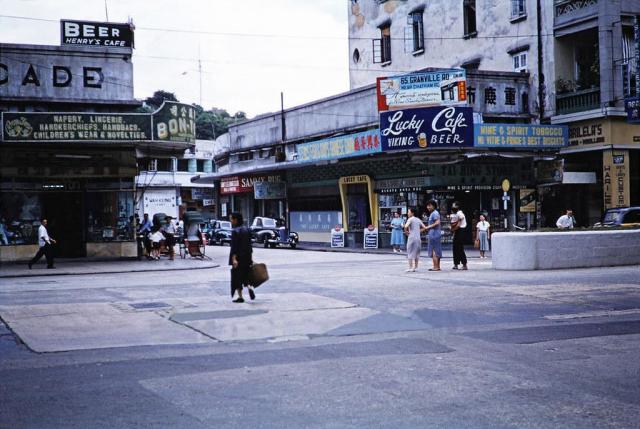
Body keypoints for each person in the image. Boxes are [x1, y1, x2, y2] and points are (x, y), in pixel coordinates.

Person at [229, 212, 254, 303]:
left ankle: (240, 297)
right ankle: (250, 287)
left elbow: (234, 247)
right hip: (247, 257)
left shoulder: (235, 231)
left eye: (231, 219)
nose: (231, 221)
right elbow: (249, 245)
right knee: (246, 275)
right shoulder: (247, 230)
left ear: (236, 220)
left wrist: (234, 259)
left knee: (237, 277)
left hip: (239, 258)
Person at [403, 207, 426, 273]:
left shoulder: (410, 219)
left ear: (412, 213)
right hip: (418, 238)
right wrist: (418, 231)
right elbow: (424, 227)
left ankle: (410, 267)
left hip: (411, 237)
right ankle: (416, 267)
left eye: (408, 212)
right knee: (417, 252)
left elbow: (406, 226)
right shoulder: (418, 219)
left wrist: (406, 232)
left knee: (410, 251)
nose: (407, 213)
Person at [424, 200, 442, 271]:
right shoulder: (434, 213)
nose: (428, 207)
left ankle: (435, 266)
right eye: (427, 205)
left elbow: (437, 222)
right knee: (436, 249)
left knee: (434, 250)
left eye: (430, 205)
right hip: (434, 233)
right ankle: (437, 266)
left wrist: (428, 227)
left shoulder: (434, 213)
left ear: (434, 206)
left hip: (434, 233)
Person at [451, 202, 468, 270]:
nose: (453, 206)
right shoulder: (455, 214)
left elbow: (459, 224)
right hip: (457, 231)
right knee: (455, 247)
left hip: (460, 230)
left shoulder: (459, 213)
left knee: (459, 248)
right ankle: (456, 264)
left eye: (454, 205)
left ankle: (464, 264)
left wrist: (453, 229)